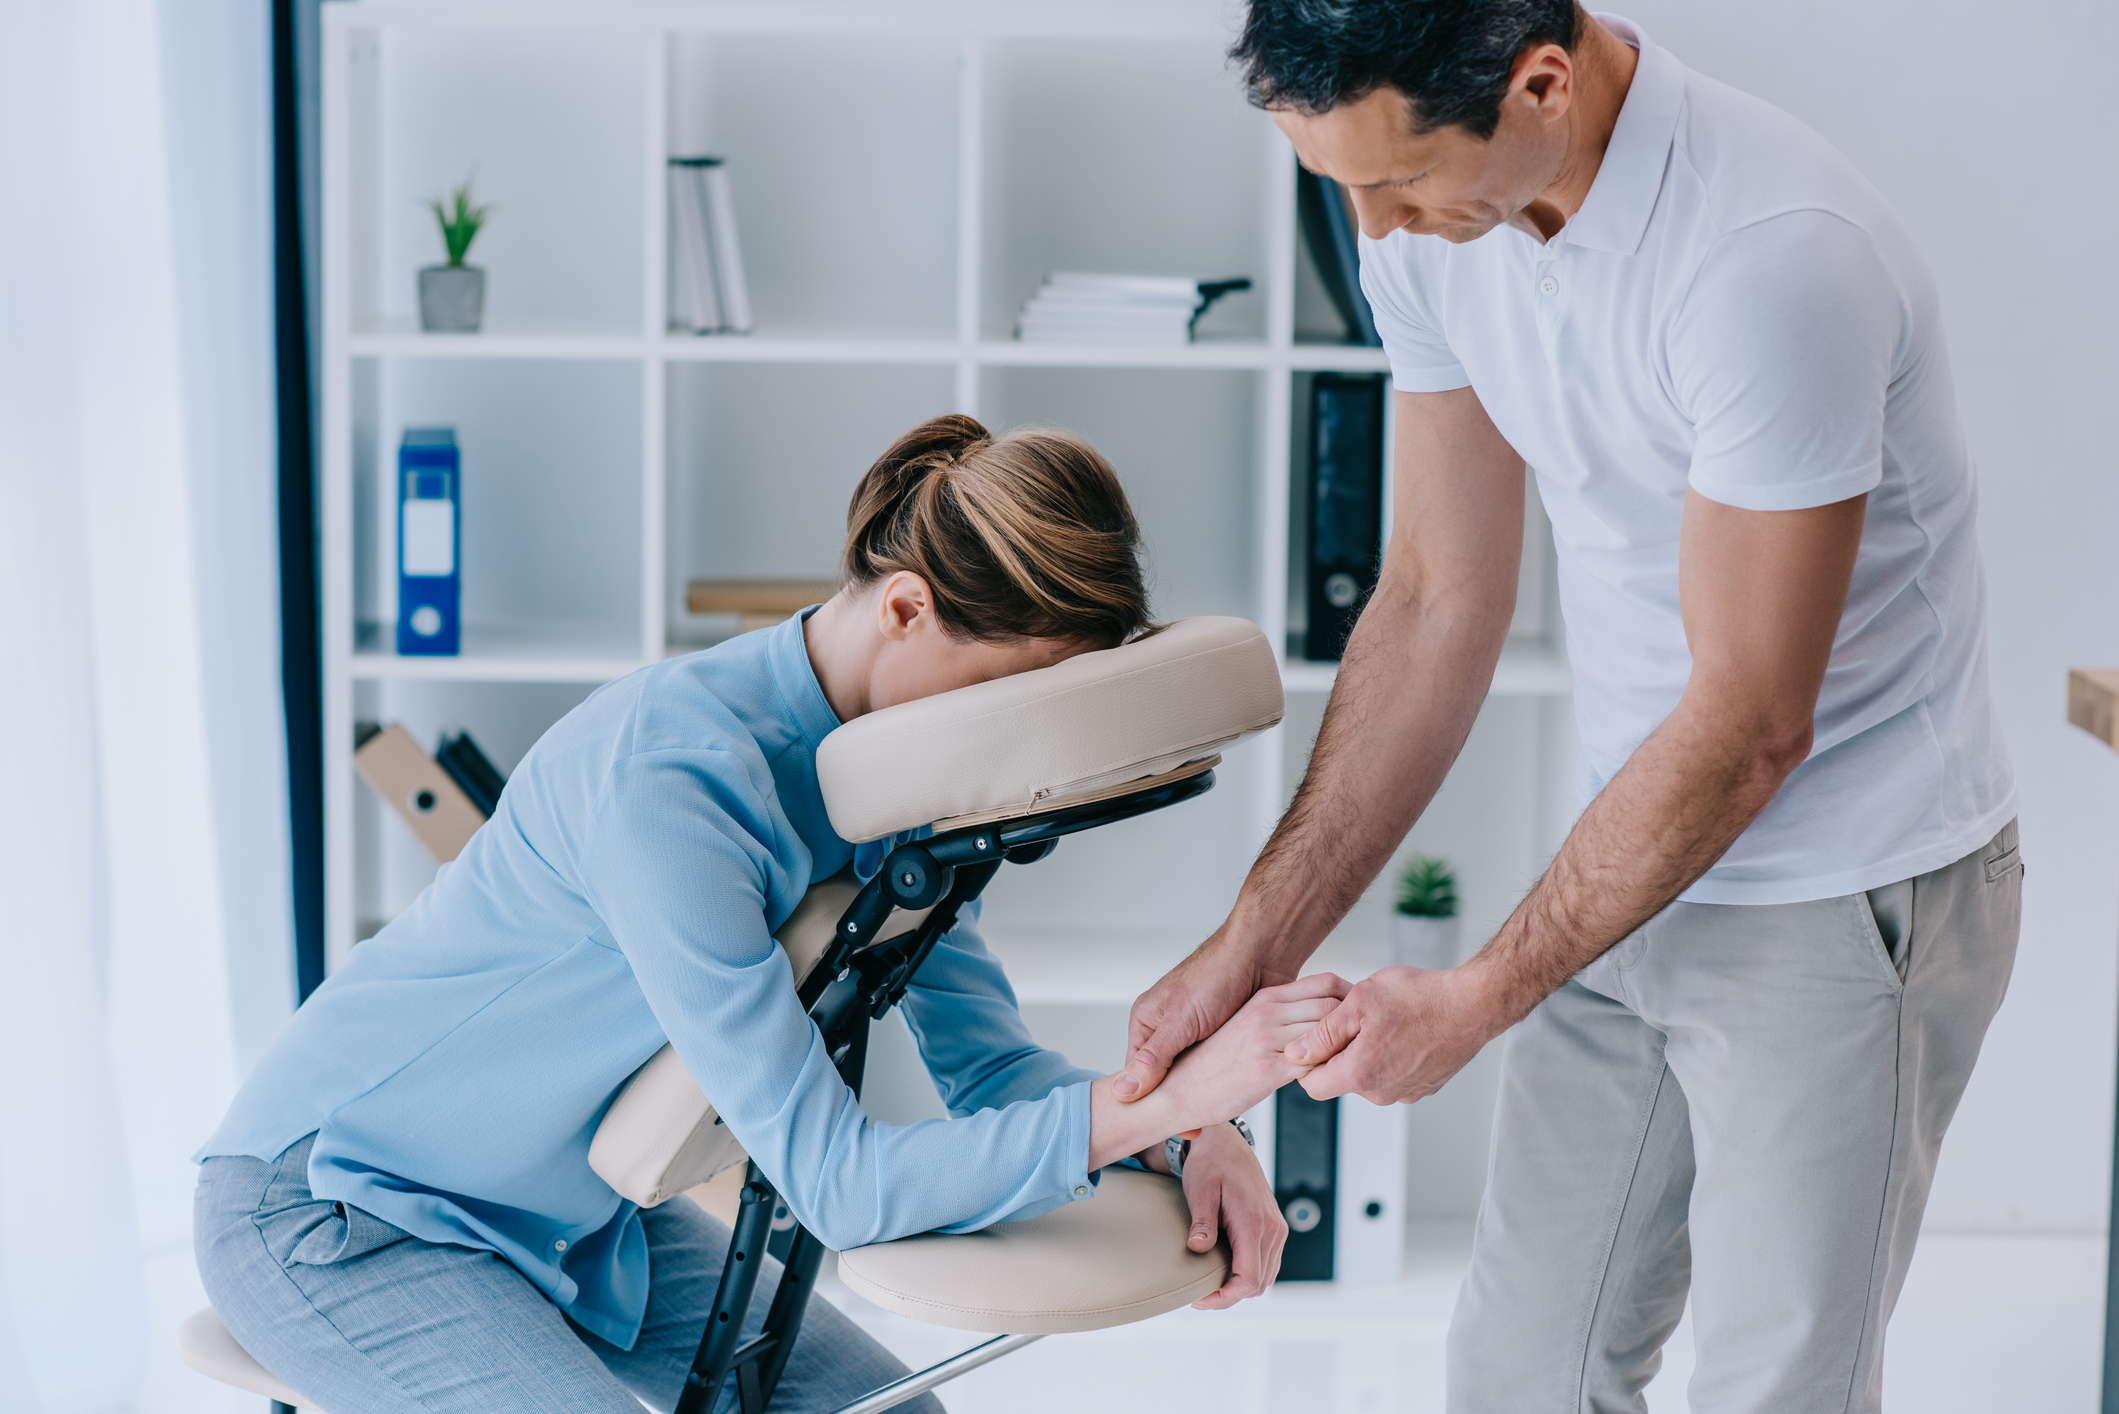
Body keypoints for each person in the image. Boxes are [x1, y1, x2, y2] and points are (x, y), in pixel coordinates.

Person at [1116, 5, 2020, 1411]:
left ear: (1538, 86)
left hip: (1841, 890)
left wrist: (1476, 997)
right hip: (1626, 855)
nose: (1372, 225)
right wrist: (1252, 942)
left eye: (1395, 179)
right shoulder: (1425, 227)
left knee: (1778, 1384)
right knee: (1519, 1371)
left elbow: (1745, 721)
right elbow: (1429, 597)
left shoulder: (1768, 256)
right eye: (1336, 180)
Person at [195, 414, 1327, 1414]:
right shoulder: (673, 785)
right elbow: (836, 1183)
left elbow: (988, 1070)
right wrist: (1165, 1100)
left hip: (566, 1214)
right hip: (340, 1207)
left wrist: (1188, 1133)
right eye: (1002, 695)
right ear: (903, 607)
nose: (1004, 745)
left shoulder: (900, 790)